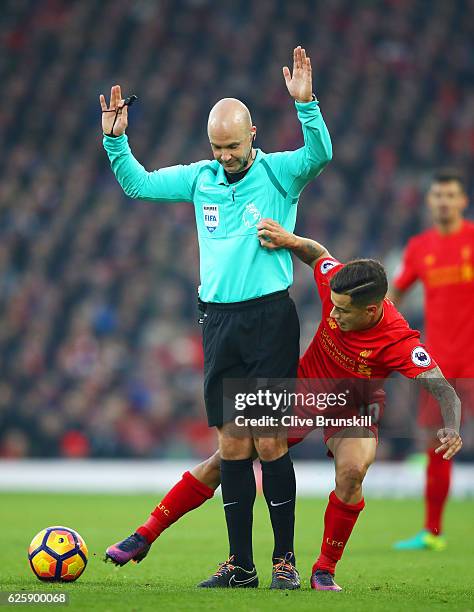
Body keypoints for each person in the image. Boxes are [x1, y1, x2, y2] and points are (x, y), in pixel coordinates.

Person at [104, 219, 462, 591]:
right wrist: (290, 240)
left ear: (372, 311)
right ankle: (144, 535)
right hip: (301, 392)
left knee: (353, 473)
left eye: (343, 312)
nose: (333, 317)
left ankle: (324, 569)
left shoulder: (399, 340)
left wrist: (452, 425)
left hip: (354, 407)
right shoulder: (338, 283)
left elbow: (443, 388)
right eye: (333, 307)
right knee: (226, 459)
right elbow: (319, 255)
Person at [100, 46, 332, 589]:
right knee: (231, 444)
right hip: (219, 321)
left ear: (252, 133)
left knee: (269, 441)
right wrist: (115, 140)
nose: (225, 155)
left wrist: (307, 106)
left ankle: (284, 563)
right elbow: (138, 183)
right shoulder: (200, 177)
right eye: (217, 146)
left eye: (233, 145)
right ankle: (240, 566)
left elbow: (320, 153)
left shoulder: (280, 174)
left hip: (270, 319)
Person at [391, 169, 473, 551]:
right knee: (437, 445)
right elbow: (395, 297)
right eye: (437, 195)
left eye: (450, 195)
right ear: (430, 201)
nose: (443, 201)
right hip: (438, 367)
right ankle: (432, 533)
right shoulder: (419, 248)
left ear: (462, 201)